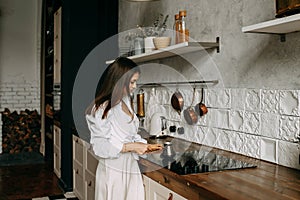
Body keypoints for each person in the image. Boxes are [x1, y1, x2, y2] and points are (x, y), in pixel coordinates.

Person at [85, 57, 162, 200]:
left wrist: (146, 146)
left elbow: (129, 134)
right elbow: (100, 146)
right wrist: (130, 147)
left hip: (130, 166)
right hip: (113, 170)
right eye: (132, 82)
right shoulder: (101, 109)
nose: (135, 86)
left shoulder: (125, 101)